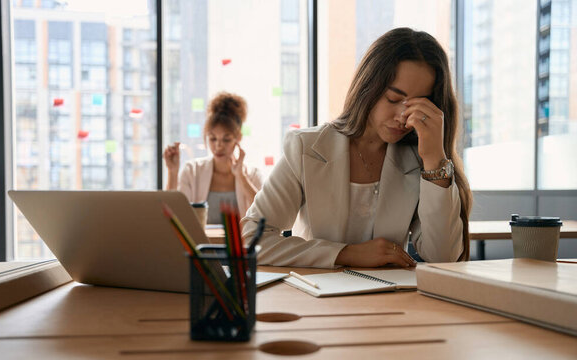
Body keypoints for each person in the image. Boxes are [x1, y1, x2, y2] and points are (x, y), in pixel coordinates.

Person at [241, 28, 472, 268]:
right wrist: (346, 254)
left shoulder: (420, 160)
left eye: (419, 106)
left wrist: (435, 160)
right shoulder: (306, 148)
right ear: (368, 87)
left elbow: (444, 257)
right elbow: (251, 241)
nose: (404, 117)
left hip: (393, 299)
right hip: (318, 299)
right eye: (393, 99)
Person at [164, 92, 262, 223]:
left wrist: (241, 176)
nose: (218, 146)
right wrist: (172, 172)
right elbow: (173, 214)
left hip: (241, 244)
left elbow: (264, 215)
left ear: (238, 138)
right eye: (212, 138)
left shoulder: (252, 174)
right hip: (200, 243)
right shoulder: (192, 171)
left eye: (226, 139)